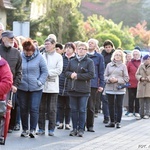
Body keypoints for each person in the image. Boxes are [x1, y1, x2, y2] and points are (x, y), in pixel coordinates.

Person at [17, 39, 48, 138]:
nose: (28, 54)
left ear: (33, 50)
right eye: (26, 52)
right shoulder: (20, 56)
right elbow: (16, 69)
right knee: (23, 108)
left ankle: (33, 129)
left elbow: (44, 71)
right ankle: (25, 129)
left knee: (34, 108)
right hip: (22, 87)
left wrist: (40, 81)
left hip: (36, 88)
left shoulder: (40, 57)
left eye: (30, 52)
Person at [65, 42, 95, 137]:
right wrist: (71, 75)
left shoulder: (89, 62)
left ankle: (81, 129)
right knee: (74, 110)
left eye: (83, 48)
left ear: (86, 51)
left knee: (82, 110)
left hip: (84, 90)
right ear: (76, 50)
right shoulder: (72, 61)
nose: (81, 50)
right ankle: (74, 129)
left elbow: (91, 74)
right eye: (79, 48)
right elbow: (66, 72)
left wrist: (78, 76)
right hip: (72, 89)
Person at [36, 37, 63, 136]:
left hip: (53, 86)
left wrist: (46, 73)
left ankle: (51, 129)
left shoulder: (58, 57)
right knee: (41, 108)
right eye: (45, 44)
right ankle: (41, 128)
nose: (46, 46)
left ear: (53, 45)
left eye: (48, 44)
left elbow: (59, 70)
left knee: (52, 109)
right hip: (42, 86)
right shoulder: (41, 55)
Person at [0, 30, 22, 133]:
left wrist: (15, 84)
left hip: (10, 85)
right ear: (3, 39)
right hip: (1, 85)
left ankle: (8, 127)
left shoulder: (16, 52)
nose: (12, 39)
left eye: (13, 38)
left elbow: (19, 71)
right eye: (10, 38)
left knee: (9, 107)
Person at [104, 50, 129, 128]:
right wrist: (109, 79)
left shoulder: (123, 66)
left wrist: (117, 80)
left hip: (119, 89)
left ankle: (118, 122)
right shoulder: (109, 65)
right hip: (109, 88)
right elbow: (105, 76)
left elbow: (126, 78)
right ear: (113, 56)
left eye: (119, 55)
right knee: (110, 105)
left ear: (122, 57)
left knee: (119, 105)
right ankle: (112, 121)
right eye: (116, 55)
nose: (117, 56)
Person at [86, 38, 105, 132]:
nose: (90, 44)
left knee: (90, 106)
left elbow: (101, 71)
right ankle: (80, 124)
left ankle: (90, 125)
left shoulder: (99, 57)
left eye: (92, 43)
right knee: (81, 106)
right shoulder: (83, 55)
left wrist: (101, 84)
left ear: (95, 45)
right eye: (89, 42)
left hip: (93, 84)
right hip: (82, 83)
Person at [57, 42, 76, 130]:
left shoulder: (75, 59)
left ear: (73, 50)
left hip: (70, 84)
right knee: (60, 105)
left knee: (69, 106)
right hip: (60, 83)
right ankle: (60, 122)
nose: (68, 49)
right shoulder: (61, 58)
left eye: (70, 48)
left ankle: (67, 123)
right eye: (66, 48)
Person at [101, 40, 115, 124]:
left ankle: (114, 116)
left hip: (114, 79)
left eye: (109, 47)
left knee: (113, 100)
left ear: (112, 47)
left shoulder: (115, 55)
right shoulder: (102, 55)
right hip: (104, 79)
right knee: (104, 99)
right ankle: (106, 116)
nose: (107, 48)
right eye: (106, 47)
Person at [127, 49, 141, 117]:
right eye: (134, 54)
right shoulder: (130, 63)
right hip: (131, 83)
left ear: (139, 55)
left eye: (137, 54)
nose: (135, 56)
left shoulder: (141, 63)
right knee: (131, 97)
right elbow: (126, 71)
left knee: (137, 98)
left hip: (139, 83)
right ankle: (130, 111)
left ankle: (137, 111)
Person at [136, 54, 150, 119]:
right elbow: (137, 74)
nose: (147, 60)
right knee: (141, 101)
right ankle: (141, 114)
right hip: (141, 85)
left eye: (148, 59)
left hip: (148, 85)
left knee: (148, 101)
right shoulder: (141, 66)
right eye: (145, 59)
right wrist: (141, 78)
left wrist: (147, 78)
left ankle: (147, 113)